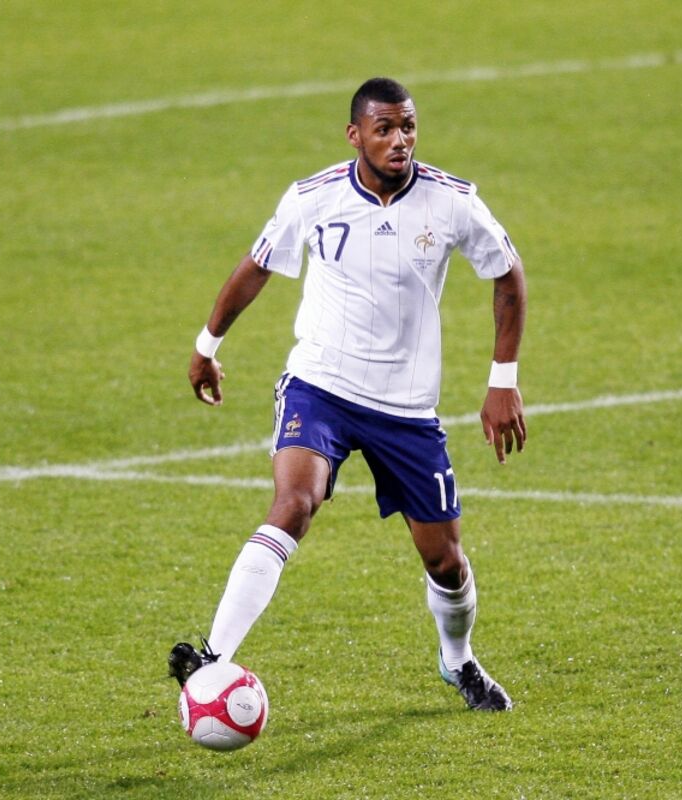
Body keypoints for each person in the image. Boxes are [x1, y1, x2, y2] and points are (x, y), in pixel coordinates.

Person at [168, 77, 526, 711]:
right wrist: (207, 344)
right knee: (294, 503)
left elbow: (508, 274)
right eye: (384, 129)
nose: (400, 140)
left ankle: (458, 660)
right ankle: (213, 657)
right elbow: (257, 266)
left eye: (408, 127)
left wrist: (503, 381)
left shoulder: (452, 202)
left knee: (445, 561)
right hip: (321, 386)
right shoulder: (314, 197)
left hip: (406, 408)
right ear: (355, 135)